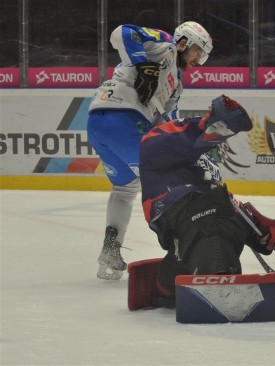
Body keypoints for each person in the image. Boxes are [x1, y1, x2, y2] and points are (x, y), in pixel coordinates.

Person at [87, 21, 213, 280]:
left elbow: (168, 122)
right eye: (197, 51)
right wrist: (142, 62)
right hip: (124, 121)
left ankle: (110, 250)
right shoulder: (164, 44)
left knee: (125, 189)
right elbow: (120, 32)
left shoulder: (176, 85)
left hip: (98, 124)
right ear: (183, 43)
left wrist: (187, 147)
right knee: (172, 183)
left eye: (202, 56)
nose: (198, 60)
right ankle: (182, 250)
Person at [138, 95, 275, 298]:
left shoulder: (208, 164)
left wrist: (258, 231)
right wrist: (202, 126)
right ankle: (216, 280)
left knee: (222, 217)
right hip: (167, 206)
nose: (222, 135)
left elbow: (227, 202)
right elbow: (154, 144)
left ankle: (171, 279)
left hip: (197, 218)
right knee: (210, 215)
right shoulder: (160, 142)